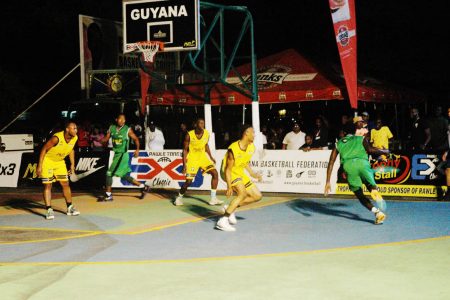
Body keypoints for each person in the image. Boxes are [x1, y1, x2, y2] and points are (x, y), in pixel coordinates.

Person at [324, 119, 389, 225]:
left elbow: (331, 162)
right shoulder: (361, 138)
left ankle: (377, 213)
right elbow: (371, 150)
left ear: (344, 133)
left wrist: (327, 181)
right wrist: (385, 151)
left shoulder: (338, 143)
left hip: (349, 166)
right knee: (370, 185)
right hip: (363, 163)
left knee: (359, 194)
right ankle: (374, 192)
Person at [216, 124, 263, 232]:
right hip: (228, 172)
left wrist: (252, 174)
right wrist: (229, 186)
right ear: (246, 133)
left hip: (239, 172)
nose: (254, 135)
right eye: (253, 132)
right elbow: (228, 169)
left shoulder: (251, 147)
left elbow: (245, 162)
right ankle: (223, 221)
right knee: (242, 194)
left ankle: (230, 208)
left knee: (257, 196)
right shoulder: (233, 149)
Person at [36, 120, 80, 220]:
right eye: (74, 128)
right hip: (48, 161)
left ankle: (70, 207)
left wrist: (72, 164)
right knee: (48, 185)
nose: (76, 130)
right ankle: (49, 210)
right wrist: (40, 166)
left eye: (76, 128)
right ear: (67, 129)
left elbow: (71, 150)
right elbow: (44, 149)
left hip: (60, 162)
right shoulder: (56, 138)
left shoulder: (75, 138)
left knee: (65, 184)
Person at [174, 118, 223, 206]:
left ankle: (213, 198)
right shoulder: (189, 135)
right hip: (192, 159)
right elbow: (185, 150)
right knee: (188, 182)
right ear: (196, 124)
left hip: (203, 158)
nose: (202, 125)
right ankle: (179, 197)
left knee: (215, 174)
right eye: (200, 123)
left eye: (203, 123)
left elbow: (206, 145)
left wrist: (211, 156)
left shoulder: (207, 133)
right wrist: (184, 165)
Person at [99, 114, 146, 201]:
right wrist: (101, 140)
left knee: (109, 173)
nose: (122, 121)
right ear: (116, 119)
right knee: (123, 175)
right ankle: (143, 186)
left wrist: (137, 150)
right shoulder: (112, 128)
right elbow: (106, 138)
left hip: (122, 155)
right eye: (120, 119)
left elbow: (136, 139)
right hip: (116, 154)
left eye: (123, 120)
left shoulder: (127, 129)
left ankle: (108, 195)